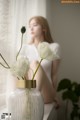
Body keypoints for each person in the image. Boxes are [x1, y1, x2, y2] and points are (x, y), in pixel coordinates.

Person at [21, 16, 61, 107]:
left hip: (46, 92)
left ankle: (33, 98)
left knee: (35, 63)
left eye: (35, 25)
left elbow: (54, 74)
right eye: (30, 26)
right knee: (16, 67)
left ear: (44, 28)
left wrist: (55, 95)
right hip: (28, 90)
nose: (31, 28)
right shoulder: (25, 48)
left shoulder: (54, 47)